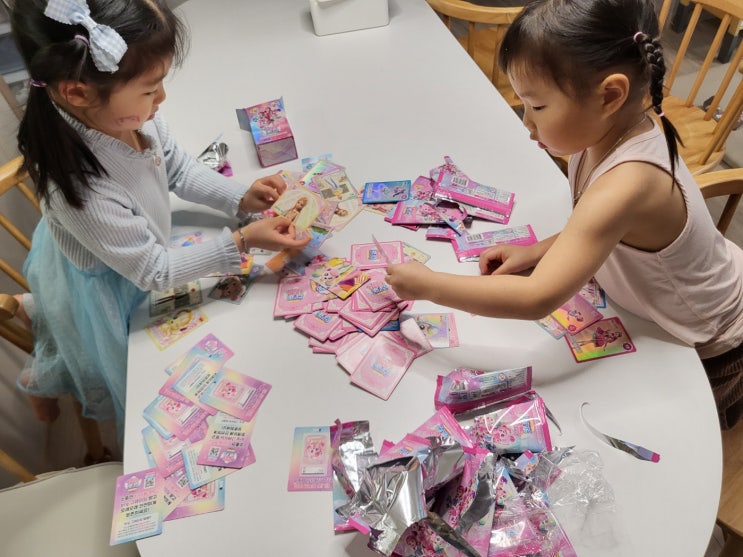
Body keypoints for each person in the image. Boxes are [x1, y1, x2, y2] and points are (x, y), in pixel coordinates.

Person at [385, 0, 743, 430]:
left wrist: (428, 286)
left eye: (536, 107)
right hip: (666, 301)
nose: (526, 123)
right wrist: (537, 250)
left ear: (609, 96)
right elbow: (603, 229)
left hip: (711, 338)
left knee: (686, 429)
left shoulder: (628, 182)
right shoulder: (608, 130)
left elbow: (537, 298)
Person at [10, 0, 310, 442]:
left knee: (60, 317)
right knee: (88, 354)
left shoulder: (130, 115)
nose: (162, 99)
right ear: (78, 93)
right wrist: (241, 242)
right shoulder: (81, 192)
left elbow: (178, 168)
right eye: (150, 89)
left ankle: (31, 311)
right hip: (112, 280)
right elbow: (153, 270)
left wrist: (238, 197)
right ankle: (43, 376)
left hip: (122, 244)